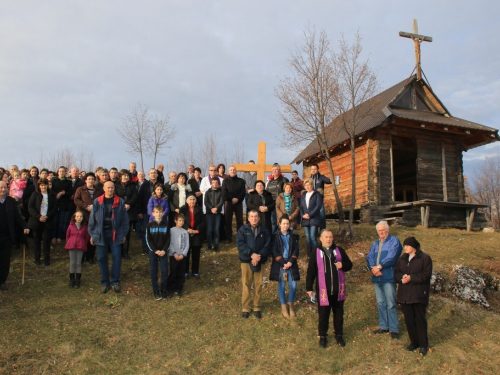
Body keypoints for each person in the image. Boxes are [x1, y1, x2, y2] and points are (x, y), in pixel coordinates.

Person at [306, 229, 353, 348]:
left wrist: (343, 265)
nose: (328, 239)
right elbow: (311, 271)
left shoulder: (339, 251)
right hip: (324, 291)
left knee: (338, 315)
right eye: (326, 237)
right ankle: (322, 336)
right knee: (323, 315)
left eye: (330, 237)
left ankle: (339, 335)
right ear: (320, 239)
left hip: (338, 290)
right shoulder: (315, 253)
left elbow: (349, 265)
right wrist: (309, 287)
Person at [88, 181, 129, 294]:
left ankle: (115, 281)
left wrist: (124, 234)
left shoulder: (120, 201)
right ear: (104, 189)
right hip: (101, 234)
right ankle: (105, 282)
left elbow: (125, 221)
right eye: (108, 188)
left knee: (116, 257)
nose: (110, 190)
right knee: (102, 258)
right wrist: (92, 235)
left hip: (115, 234)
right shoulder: (97, 202)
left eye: (112, 188)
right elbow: (92, 221)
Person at [395, 237, 432, 356]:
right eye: (404, 245)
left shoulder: (425, 258)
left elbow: (426, 275)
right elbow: (396, 272)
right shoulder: (401, 259)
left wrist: (412, 278)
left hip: (418, 294)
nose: (404, 247)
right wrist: (402, 277)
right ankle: (414, 342)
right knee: (409, 320)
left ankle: (423, 345)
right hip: (405, 294)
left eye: (407, 245)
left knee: (420, 320)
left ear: (413, 247)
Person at [366, 220, 403, 339]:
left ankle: (394, 329)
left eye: (383, 230)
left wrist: (379, 266)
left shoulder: (394, 241)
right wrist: (373, 268)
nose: (381, 232)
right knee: (381, 302)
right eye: (379, 230)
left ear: (388, 230)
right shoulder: (375, 243)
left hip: (388, 277)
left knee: (391, 303)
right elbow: (369, 256)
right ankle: (383, 326)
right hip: (377, 277)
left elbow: (392, 257)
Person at [237, 209, 271, 319]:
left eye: (256, 216)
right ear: (248, 218)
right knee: (246, 284)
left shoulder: (264, 231)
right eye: (252, 216)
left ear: (259, 218)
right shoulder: (243, 230)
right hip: (246, 260)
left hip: (260, 260)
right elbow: (241, 244)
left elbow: (267, 245)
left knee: (258, 284)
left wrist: (258, 256)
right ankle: (246, 308)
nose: (254, 218)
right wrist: (251, 255)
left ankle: (257, 307)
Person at [0, 181, 29, 290]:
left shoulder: (11, 201)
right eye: (1, 188)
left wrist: (25, 226)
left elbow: (18, 216)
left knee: (5, 259)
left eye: (4, 188)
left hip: (7, 236)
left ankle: (2, 280)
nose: (3, 190)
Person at [270, 215, 300, 319]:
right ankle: (283, 307)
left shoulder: (292, 236)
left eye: (287, 224)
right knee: (282, 285)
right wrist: (283, 263)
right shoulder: (275, 236)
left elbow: (296, 249)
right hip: (281, 264)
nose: (286, 226)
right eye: (284, 224)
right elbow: (274, 251)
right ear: (279, 224)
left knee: (293, 285)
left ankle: (290, 304)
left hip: (291, 263)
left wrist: (291, 261)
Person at [73, 172, 103, 264]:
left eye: (92, 179)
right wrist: (86, 206)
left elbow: (102, 201)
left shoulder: (99, 191)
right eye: (89, 179)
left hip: (94, 217)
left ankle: (90, 257)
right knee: (81, 237)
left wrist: (95, 207)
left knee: (92, 237)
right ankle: (81, 257)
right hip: (82, 216)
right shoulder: (80, 189)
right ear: (85, 180)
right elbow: (76, 200)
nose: (91, 181)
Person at [28, 178, 57, 266]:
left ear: (47, 185)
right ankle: (37, 259)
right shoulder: (35, 194)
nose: (43, 187)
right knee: (37, 241)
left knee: (46, 241)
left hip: (47, 221)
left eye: (45, 185)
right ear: (39, 186)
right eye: (41, 185)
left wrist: (47, 216)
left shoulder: (52, 195)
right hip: (37, 221)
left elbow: (55, 208)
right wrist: (39, 216)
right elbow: (30, 207)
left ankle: (46, 260)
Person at [146, 205, 170, 300]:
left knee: (164, 271)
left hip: (163, 252)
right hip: (153, 252)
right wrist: (155, 250)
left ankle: (164, 289)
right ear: (153, 213)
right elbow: (148, 240)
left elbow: (168, 239)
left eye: (160, 212)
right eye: (156, 212)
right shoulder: (150, 225)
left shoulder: (166, 225)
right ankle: (156, 290)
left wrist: (164, 250)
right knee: (154, 271)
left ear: (163, 213)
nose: (158, 214)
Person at [180, 195, 205, 279]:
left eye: (194, 199)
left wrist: (197, 230)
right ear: (187, 201)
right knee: (186, 253)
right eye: (190, 199)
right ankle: (185, 271)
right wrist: (187, 228)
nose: (192, 201)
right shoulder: (182, 209)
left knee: (196, 254)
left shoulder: (199, 209)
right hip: (186, 233)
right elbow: (180, 221)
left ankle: (195, 271)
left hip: (196, 233)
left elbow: (203, 222)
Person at [65, 211, 90, 288]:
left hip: (80, 246)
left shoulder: (85, 227)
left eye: (81, 216)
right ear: (74, 217)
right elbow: (67, 235)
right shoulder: (71, 226)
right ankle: (72, 279)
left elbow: (87, 237)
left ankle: (78, 280)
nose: (79, 218)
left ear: (83, 218)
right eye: (77, 216)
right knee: (72, 263)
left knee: (78, 263)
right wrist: (70, 242)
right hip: (72, 246)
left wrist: (83, 243)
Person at [167, 213, 190, 298]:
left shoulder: (185, 232)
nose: (181, 222)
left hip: (182, 256)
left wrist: (183, 254)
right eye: (179, 220)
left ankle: (179, 288)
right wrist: (174, 253)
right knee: (173, 272)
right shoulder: (171, 230)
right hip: (174, 256)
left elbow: (187, 244)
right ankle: (170, 289)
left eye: (182, 221)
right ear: (175, 221)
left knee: (181, 272)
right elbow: (169, 243)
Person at [222, 166, 245, 244]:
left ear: (236, 171)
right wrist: (232, 198)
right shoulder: (225, 181)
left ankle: (240, 237)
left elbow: (243, 192)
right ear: (229, 171)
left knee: (240, 220)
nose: (232, 171)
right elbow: (224, 192)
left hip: (238, 202)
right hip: (229, 202)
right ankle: (229, 237)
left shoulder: (241, 181)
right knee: (228, 220)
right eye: (231, 170)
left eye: (234, 170)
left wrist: (237, 199)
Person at [300, 178, 322, 258]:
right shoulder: (303, 195)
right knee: (308, 238)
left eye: (309, 185)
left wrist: (310, 214)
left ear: (312, 185)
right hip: (305, 220)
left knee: (313, 237)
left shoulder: (317, 194)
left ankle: (317, 255)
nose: (307, 187)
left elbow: (318, 206)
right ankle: (309, 255)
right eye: (306, 185)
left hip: (314, 219)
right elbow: (301, 207)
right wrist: (302, 215)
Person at [51, 166, 73, 244]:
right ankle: (53, 236)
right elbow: (51, 191)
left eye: (63, 171)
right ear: (58, 172)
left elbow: (70, 192)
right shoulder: (54, 181)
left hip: (64, 204)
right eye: (60, 171)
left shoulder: (68, 182)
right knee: (54, 221)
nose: (61, 173)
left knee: (61, 221)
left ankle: (59, 237)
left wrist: (64, 193)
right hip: (55, 204)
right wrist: (56, 194)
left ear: (65, 173)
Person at [119, 169, 138, 260]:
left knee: (127, 232)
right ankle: (118, 251)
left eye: (127, 176)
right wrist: (122, 204)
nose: (126, 177)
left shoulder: (132, 185)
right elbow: (115, 196)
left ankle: (125, 252)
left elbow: (135, 196)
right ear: (121, 176)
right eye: (124, 175)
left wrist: (129, 204)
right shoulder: (116, 185)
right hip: (118, 210)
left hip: (129, 211)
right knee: (119, 231)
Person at [265, 164, 289, 233]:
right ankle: (273, 237)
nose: (275, 171)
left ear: (279, 171)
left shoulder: (284, 180)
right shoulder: (270, 181)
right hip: (271, 204)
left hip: (280, 204)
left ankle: (280, 237)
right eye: (273, 170)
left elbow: (287, 191)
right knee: (273, 222)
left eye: (276, 169)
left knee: (280, 222)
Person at [309, 164, 332, 230]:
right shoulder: (309, 179)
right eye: (312, 169)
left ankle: (323, 231)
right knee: (313, 216)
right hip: (311, 201)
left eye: (315, 169)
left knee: (322, 216)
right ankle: (315, 232)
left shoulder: (321, 177)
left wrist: (333, 179)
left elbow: (328, 181)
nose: (313, 170)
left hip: (319, 200)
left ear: (318, 169)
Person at [204, 177, 223, 250]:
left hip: (217, 212)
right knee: (209, 229)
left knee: (216, 229)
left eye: (216, 182)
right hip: (209, 212)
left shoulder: (220, 192)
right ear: (211, 183)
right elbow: (206, 202)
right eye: (213, 182)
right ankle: (209, 245)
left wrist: (216, 208)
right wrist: (211, 208)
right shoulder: (207, 192)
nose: (215, 184)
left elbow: (221, 201)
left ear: (218, 183)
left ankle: (216, 245)